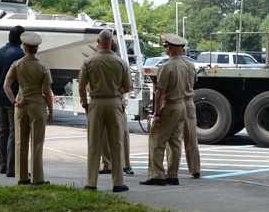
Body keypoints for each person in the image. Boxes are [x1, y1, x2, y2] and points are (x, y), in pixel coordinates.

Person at [79, 29, 132, 193]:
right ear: (112, 42)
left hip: (96, 103)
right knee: (116, 143)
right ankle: (118, 183)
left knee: (94, 144)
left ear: (98, 41)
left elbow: (81, 86)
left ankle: (91, 182)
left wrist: (85, 103)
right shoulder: (121, 62)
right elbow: (127, 87)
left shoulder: (89, 61)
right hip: (115, 103)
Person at [4, 32, 53, 185]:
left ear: (24, 48)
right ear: (36, 49)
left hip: (21, 105)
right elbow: (47, 91)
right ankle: (38, 178)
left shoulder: (17, 64)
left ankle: (22, 177)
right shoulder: (43, 66)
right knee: (37, 143)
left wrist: (14, 101)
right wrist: (50, 110)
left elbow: (6, 86)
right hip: (37, 106)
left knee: (20, 142)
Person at [140, 33, 189, 186]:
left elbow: (160, 92)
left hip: (170, 106)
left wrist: (157, 114)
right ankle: (172, 175)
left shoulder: (166, 67)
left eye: (166, 46)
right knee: (175, 143)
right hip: (182, 106)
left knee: (156, 141)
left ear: (169, 49)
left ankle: (157, 175)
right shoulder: (185, 65)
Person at [0, 25, 25, 177]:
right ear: (22, 39)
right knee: (14, 132)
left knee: (2, 132)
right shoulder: (21, 55)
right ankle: (12, 168)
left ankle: (2, 165)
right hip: (14, 98)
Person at [100, 41, 134, 177]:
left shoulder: (93, 61)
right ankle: (125, 164)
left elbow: (86, 86)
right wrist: (117, 91)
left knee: (103, 136)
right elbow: (128, 86)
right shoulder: (121, 63)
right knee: (123, 134)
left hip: (100, 100)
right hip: (117, 101)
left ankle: (107, 164)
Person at [177, 51, 200, 178]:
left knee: (173, 138)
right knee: (191, 136)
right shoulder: (191, 65)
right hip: (189, 102)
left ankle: (171, 170)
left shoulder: (168, 65)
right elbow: (194, 80)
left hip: (176, 101)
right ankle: (195, 168)